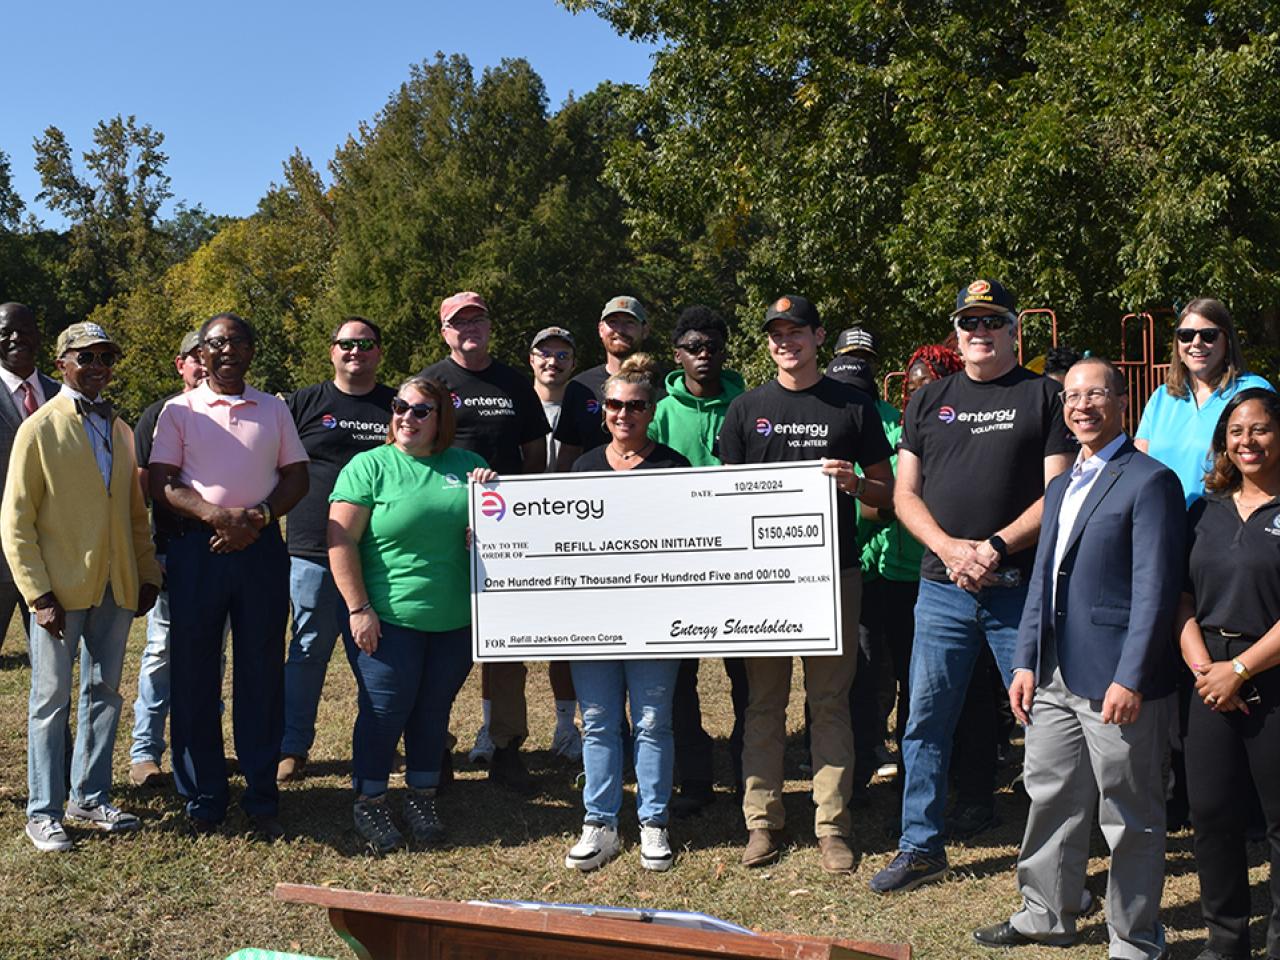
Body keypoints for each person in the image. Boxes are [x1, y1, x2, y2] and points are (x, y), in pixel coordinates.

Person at [972, 358, 1184, 959]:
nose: (1081, 406)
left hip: (1117, 680)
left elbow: (1155, 590)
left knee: (1130, 813)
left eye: (1095, 394)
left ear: (1122, 400)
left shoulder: (1150, 481)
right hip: (1054, 676)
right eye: (1071, 396)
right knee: (1051, 798)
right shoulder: (1061, 485)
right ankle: (1045, 914)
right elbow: (1043, 579)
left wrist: (1131, 675)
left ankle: (1135, 938)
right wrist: (1024, 662)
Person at [870, 279, 1074, 895]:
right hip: (942, 590)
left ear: (1015, 331)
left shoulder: (1044, 396)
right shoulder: (927, 402)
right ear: (955, 334)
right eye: (968, 324)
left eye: (991, 322)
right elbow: (904, 494)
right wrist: (949, 549)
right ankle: (920, 847)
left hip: (1019, 590)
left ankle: (1058, 860)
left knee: (1045, 724)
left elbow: (1058, 495)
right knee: (925, 723)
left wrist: (993, 547)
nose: (978, 333)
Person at [720, 294, 894, 874]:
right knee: (762, 702)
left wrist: (853, 485)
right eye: (776, 333)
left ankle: (832, 825)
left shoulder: (853, 406)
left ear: (820, 337)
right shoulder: (745, 410)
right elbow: (723, 499)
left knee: (829, 702)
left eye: (796, 332)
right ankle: (761, 822)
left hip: (832, 576)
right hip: (763, 582)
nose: (784, 342)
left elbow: (886, 494)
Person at [2, 321, 162, 852]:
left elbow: (135, 513)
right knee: (49, 701)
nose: (97, 367)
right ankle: (43, 811)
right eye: (85, 357)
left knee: (104, 695)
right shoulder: (39, 427)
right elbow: (16, 520)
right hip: (60, 593)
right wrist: (37, 594)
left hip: (115, 588)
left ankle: (88, 797)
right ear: (62, 362)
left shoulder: (117, 428)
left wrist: (147, 571)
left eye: (105, 358)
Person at [149, 313, 309, 838]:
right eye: (216, 344)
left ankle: (261, 794)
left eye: (237, 341)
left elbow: (296, 477)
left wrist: (257, 517)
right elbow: (164, 483)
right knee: (194, 673)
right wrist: (217, 516)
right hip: (199, 549)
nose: (227, 351)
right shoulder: (178, 410)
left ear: (251, 350)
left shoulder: (274, 409)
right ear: (202, 352)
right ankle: (204, 796)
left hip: (261, 548)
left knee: (261, 671)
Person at [328, 376, 494, 854]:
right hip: (387, 617)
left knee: (432, 710)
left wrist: (490, 500)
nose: (408, 417)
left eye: (422, 410)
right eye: (401, 406)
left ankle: (422, 797)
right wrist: (359, 608)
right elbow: (340, 543)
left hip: (454, 620)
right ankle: (370, 801)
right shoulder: (369, 467)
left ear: (441, 419)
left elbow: (503, 531)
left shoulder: (470, 467)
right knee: (383, 710)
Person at [420, 292, 549, 793]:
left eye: (477, 319)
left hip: (502, 535)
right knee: (445, 642)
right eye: (458, 322)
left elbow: (534, 455)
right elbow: (417, 452)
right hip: (444, 529)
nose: (469, 328)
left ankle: (507, 746)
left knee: (504, 647)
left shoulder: (515, 383)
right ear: (445, 332)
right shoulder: (433, 384)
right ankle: (438, 744)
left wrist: (516, 513)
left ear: (490, 327)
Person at [565, 353, 689, 872]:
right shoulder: (581, 467)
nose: (624, 414)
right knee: (596, 721)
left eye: (635, 405)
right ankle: (600, 822)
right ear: (603, 409)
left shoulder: (674, 466)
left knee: (654, 721)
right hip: (593, 620)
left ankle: (654, 822)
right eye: (614, 404)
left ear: (651, 410)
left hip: (655, 619)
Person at [1178, 387, 1280, 960]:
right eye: (1237, 432)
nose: (1248, 441)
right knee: (1212, 815)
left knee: (1279, 820)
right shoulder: (1204, 510)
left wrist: (1239, 670)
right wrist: (1206, 671)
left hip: (1270, 673)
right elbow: (1181, 598)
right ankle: (1226, 942)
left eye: (1261, 429)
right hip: (1208, 678)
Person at [277, 317, 396, 783]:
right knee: (307, 651)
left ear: (378, 352)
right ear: (332, 351)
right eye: (347, 344)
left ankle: (380, 745)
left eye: (366, 344)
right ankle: (292, 746)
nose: (356, 351)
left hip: (382, 553)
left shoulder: (397, 406)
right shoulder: (303, 403)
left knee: (378, 655)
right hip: (311, 550)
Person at [649, 305, 748, 816]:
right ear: (677, 354)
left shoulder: (749, 405)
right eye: (693, 347)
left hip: (739, 565)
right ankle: (694, 780)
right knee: (678, 680)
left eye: (712, 346)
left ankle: (748, 779)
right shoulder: (659, 412)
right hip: (677, 566)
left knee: (746, 679)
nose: (703, 355)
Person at [128, 329, 212, 787]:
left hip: (222, 551)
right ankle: (146, 751)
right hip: (172, 551)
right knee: (161, 650)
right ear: (179, 365)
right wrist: (148, 553)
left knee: (212, 657)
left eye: (210, 355)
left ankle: (204, 747)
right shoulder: (158, 415)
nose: (202, 364)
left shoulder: (233, 412)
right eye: (193, 357)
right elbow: (140, 492)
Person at [1136, 298, 1272, 506]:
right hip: (1164, 523)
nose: (1196, 343)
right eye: (1186, 335)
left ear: (1227, 341)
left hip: (1225, 524)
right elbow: (1139, 464)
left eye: (1208, 335)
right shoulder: (1162, 397)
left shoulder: (1252, 392)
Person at [526, 325, 582, 761]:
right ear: (531, 359)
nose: (553, 362)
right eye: (545, 354)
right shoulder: (515, 403)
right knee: (507, 635)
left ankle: (566, 726)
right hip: (518, 531)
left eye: (562, 355)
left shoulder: (585, 404)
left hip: (571, 532)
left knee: (567, 634)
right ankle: (495, 727)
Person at [0, 302, 59, 647]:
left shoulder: (64, 395)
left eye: (24, 330)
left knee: (52, 674)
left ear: (38, 336)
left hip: (54, 559)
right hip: (1, 553)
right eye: (5, 332)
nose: (16, 338)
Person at [554, 295, 651, 469]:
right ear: (600, 329)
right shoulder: (579, 387)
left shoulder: (659, 385)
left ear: (645, 330)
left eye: (629, 322)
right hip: (592, 491)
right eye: (612, 322)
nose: (620, 330)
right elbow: (568, 453)